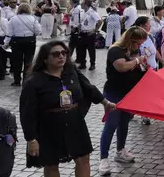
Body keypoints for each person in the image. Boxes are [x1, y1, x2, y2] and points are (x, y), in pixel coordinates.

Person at [20, 41, 115, 177]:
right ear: (45, 59)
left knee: (83, 159)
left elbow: (88, 87)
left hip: (75, 122)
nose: (61, 56)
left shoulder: (71, 71)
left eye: (64, 53)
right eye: (56, 54)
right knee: (51, 164)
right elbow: (27, 112)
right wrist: (31, 139)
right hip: (49, 126)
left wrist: (105, 102)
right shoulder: (34, 82)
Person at [99, 26, 148, 176]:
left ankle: (120, 151)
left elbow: (137, 69)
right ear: (130, 40)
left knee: (124, 122)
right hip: (114, 93)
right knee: (111, 124)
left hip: (129, 93)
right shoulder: (116, 50)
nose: (139, 47)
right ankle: (103, 159)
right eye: (138, 43)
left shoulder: (133, 51)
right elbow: (122, 67)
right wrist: (137, 61)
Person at [6, 3, 42, 86]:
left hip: (17, 41)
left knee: (17, 61)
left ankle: (17, 80)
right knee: (28, 61)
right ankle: (26, 80)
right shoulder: (32, 19)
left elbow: (9, 32)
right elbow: (38, 31)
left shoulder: (13, 19)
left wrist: (6, 43)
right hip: (30, 41)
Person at [76, 0, 102, 71]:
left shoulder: (92, 12)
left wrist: (95, 30)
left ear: (86, 4)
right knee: (81, 49)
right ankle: (83, 63)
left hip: (89, 33)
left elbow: (100, 21)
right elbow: (82, 22)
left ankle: (92, 64)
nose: (80, 5)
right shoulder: (82, 12)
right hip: (82, 32)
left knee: (91, 50)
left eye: (82, 3)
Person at [0, 9, 8, 80]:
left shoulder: (3, 20)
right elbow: (7, 31)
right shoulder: (3, 20)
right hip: (1, 39)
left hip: (0, 39)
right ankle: (2, 72)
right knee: (2, 57)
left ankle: (1, 72)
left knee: (0, 57)